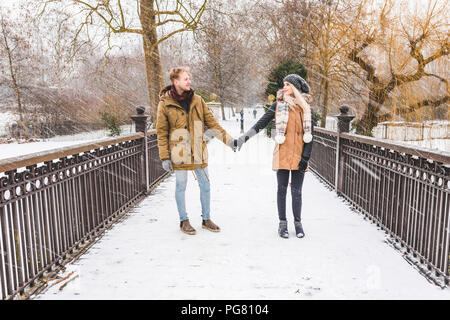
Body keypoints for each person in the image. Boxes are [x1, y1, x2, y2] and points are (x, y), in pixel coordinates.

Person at [156, 67, 235, 235]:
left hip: (198, 150)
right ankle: (184, 220)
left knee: (205, 185)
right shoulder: (165, 103)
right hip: (179, 152)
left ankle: (206, 219)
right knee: (180, 186)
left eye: (189, 78)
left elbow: (212, 124)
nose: (189, 81)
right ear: (175, 81)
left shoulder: (198, 100)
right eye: (185, 79)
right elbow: (161, 132)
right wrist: (164, 157)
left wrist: (229, 141)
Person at [234, 74, 314, 239]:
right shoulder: (278, 105)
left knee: (297, 191)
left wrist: (305, 157)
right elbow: (261, 124)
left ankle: (298, 223)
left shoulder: (306, 108)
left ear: (296, 88)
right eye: (283, 84)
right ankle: (282, 223)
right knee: (282, 189)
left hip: (299, 154)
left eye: (287, 84)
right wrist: (244, 138)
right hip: (282, 152)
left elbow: (310, 135)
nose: (284, 87)